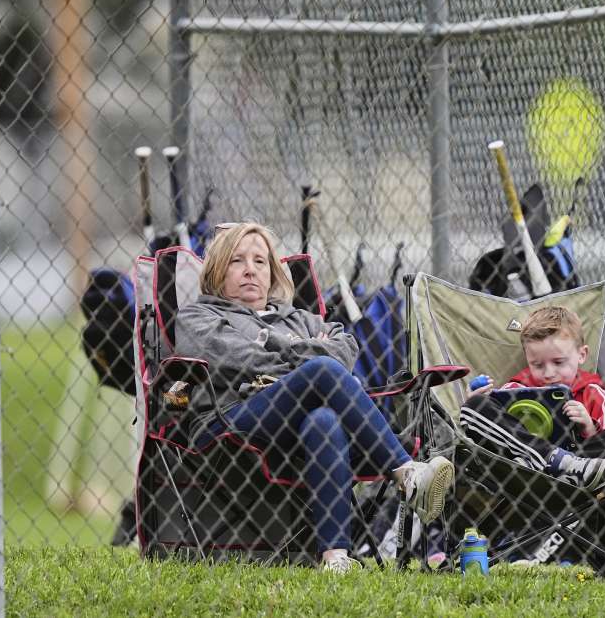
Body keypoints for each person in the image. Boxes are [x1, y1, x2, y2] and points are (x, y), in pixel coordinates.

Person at [173, 222, 453, 572]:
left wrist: (281, 349)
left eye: (260, 261)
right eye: (237, 261)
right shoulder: (200, 315)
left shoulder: (299, 318)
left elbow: (346, 348)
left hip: (298, 427)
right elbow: (230, 358)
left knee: (325, 420)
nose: (250, 270)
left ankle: (335, 559)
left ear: (272, 272)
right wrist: (304, 353)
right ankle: (407, 473)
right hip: (230, 418)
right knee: (321, 370)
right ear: (217, 270)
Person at [458, 306, 605, 490]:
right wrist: (477, 401)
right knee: (474, 406)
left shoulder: (596, 394)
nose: (549, 373)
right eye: (537, 365)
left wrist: (589, 428)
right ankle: (548, 459)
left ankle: (570, 468)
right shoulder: (513, 390)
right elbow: (491, 428)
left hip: (584, 467)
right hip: (523, 470)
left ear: (581, 355)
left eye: (558, 362)